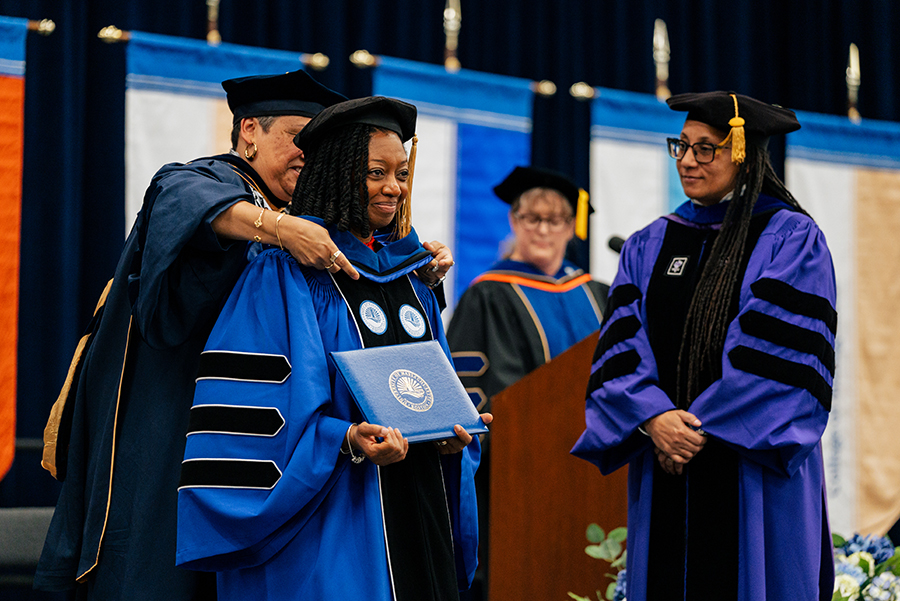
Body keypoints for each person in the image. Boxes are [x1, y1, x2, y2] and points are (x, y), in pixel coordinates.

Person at [33, 71, 449, 600]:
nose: (307, 154)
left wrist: (410, 266)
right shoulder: (208, 182)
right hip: (182, 420)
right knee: (159, 569)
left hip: (271, 436)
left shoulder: (309, 221)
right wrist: (279, 229)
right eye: (296, 137)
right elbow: (184, 200)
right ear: (249, 131)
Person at [175, 96, 489, 601]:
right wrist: (345, 439)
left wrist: (453, 437)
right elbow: (260, 414)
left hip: (416, 506)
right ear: (339, 176)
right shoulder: (285, 274)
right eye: (375, 172)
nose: (394, 187)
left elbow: (431, 394)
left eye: (401, 173)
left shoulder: (413, 278)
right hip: (329, 523)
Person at [571, 92, 837, 601]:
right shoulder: (650, 243)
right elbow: (622, 346)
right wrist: (653, 418)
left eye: (705, 148)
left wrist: (689, 432)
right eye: (682, 146)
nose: (688, 161)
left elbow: (782, 363)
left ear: (743, 154)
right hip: (664, 455)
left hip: (749, 465)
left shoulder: (790, 238)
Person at [446, 166, 608, 600]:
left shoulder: (598, 294)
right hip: (519, 473)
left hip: (596, 470)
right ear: (514, 221)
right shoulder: (488, 294)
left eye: (554, 219)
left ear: (571, 227)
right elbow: (471, 384)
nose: (543, 230)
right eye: (532, 218)